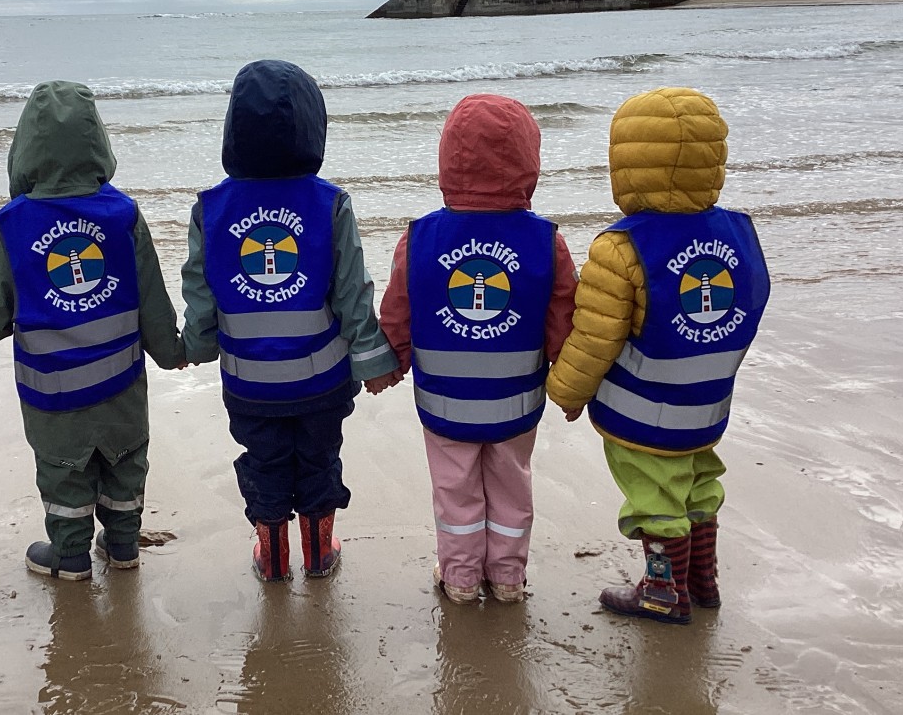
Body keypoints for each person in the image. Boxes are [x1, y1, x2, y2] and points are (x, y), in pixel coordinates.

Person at [546, 87, 770, 624]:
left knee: (654, 497)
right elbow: (755, 297)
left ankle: (663, 592)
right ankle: (703, 580)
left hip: (642, 411)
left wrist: (566, 392)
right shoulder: (739, 230)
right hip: (709, 405)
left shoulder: (620, 248)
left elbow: (595, 337)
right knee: (699, 482)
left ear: (625, 163)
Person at [0, 81, 186, 581]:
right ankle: (123, 547)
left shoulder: (14, 224)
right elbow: (151, 294)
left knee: (63, 472)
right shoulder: (123, 215)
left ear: (24, 151)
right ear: (98, 142)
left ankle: (71, 556)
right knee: (125, 464)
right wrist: (170, 352)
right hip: (121, 384)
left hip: (51, 389)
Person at [181, 59, 399, 582]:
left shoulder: (211, 209)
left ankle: (273, 557)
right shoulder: (329, 204)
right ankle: (320, 554)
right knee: (319, 460)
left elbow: (200, 290)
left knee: (265, 463)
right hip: (324, 381)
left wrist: (197, 344)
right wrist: (372, 362)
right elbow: (352, 293)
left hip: (250, 382)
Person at [378, 94, 578, 604]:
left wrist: (388, 365)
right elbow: (564, 321)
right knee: (512, 486)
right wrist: (572, 382)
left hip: (445, 404)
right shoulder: (546, 241)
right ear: (529, 160)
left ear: (448, 158)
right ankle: (508, 577)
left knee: (455, 491)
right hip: (517, 404)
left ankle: (462, 578)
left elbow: (398, 313)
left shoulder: (419, 239)